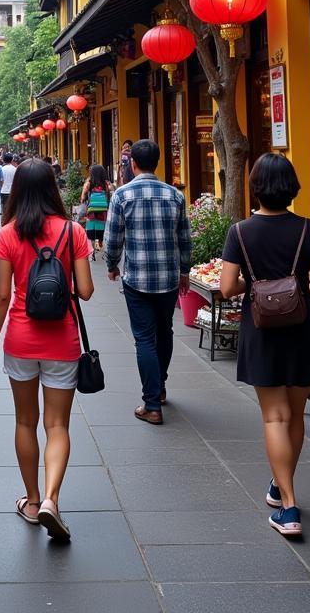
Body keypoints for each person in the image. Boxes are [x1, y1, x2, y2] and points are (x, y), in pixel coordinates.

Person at [220, 154, 310, 539]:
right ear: (292, 187)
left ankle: (288, 504)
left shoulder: (240, 232)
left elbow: (226, 287)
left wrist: (252, 286)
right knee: (296, 416)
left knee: (274, 418)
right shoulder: (308, 228)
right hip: (303, 328)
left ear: (255, 188)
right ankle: (280, 484)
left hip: (262, 330)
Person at [0, 158, 93, 541]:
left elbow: (1, 296)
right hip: (62, 339)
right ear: (52, 187)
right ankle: (51, 499)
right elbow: (85, 291)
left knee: (24, 422)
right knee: (58, 425)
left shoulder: (8, 234)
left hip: (20, 337)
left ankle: (31, 501)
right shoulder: (73, 231)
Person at [103, 139, 191, 426]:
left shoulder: (122, 195)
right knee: (164, 332)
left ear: (133, 163)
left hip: (137, 278)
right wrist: (185, 272)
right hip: (167, 278)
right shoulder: (174, 195)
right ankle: (160, 387)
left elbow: (113, 235)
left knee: (144, 338)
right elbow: (184, 239)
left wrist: (111, 264)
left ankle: (152, 403)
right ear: (158, 162)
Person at [80, 164, 112, 260]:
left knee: (92, 231)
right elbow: (108, 197)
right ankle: (101, 248)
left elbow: (83, 197)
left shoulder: (89, 183)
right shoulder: (106, 184)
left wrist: (84, 201)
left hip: (91, 212)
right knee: (100, 230)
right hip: (103, 212)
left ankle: (93, 251)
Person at [0, 153, 17, 230]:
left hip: (3, 191)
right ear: (12, 159)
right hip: (13, 191)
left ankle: (4, 224)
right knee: (13, 209)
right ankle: (12, 224)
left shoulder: (1, 169)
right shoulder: (15, 169)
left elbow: (0, 180)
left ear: (3, 160)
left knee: (4, 209)